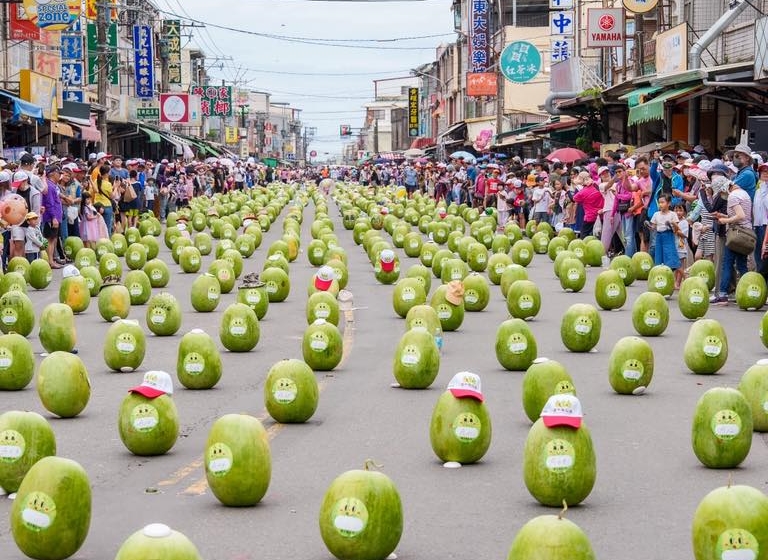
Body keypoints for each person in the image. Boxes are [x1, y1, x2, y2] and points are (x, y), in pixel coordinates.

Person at [711, 175, 752, 304]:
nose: (722, 195)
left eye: (722, 192)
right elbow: (741, 214)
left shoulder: (733, 196)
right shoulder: (743, 193)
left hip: (736, 233)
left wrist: (725, 220)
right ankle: (750, 290)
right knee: (741, 264)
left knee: (727, 263)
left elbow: (741, 215)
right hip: (745, 233)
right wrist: (723, 215)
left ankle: (723, 294)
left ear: (725, 188)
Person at [648, 193, 681, 271]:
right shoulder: (656, 214)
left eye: (662, 202)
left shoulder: (672, 214)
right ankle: (660, 272)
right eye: (659, 202)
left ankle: (671, 273)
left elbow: (677, 229)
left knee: (670, 255)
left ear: (669, 203)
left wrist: (672, 223)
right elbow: (653, 227)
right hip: (659, 236)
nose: (660, 204)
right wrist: (649, 226)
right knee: (659, 255)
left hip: (669, 235)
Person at [41, 165, 63, 267]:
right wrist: (53, 217)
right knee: (50, 239)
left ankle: (52, 259)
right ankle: (50, 261)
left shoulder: (53, 185)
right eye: (59, 173)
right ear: (52, 174)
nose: (60, 176)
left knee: (53, 239)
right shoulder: (49, 186)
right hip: (50, 217)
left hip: (56, 216)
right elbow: (49, 203)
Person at [573, 172, 604, 238]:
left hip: (590, 216)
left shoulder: (582, 192)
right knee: (599, 234)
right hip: (601, 214)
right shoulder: (597, 187)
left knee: (584, 233)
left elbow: (575, 198)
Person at [673, 203, 689, 289]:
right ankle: (676, 282)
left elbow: (684, 235)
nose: (678, 213)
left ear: (684, 212)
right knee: (676, 266)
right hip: (674, 246)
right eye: (676, 210)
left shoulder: (684, 222)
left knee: (680, 265)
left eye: (680, 210)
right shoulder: (674, 221)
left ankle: (679, 282)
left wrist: (676, 229)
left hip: (681, 247)